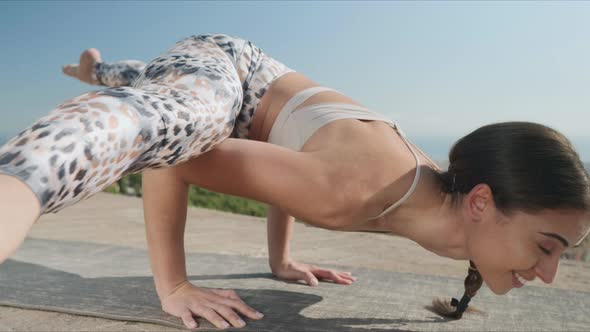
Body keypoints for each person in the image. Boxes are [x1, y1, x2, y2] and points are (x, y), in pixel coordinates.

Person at [1, 33, 589, 330]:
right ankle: (21, 180)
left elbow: (286, 169)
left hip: (254, 94)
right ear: (482, 202)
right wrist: (175, 286)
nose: (547, 272)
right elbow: (174, 161)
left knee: (161, 83)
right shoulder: (358, 191)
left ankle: (99, 68)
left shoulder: (431, 189)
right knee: (178, 121)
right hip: (230, 69)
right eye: (547, 246)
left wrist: (281, 262)